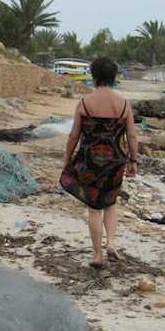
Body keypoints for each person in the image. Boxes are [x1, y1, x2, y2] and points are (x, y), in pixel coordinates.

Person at [59, 57, 139, 268]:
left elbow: (73, 135)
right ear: (113, 77)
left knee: (94, 207)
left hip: (89, 160)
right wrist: (133, 160)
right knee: (111, 202)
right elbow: (131, 136)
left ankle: (97, 255)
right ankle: (111, 243)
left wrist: (68, 157)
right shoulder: (123, 104)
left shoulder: (85, 102)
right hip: (115, 159)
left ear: (94, 76)